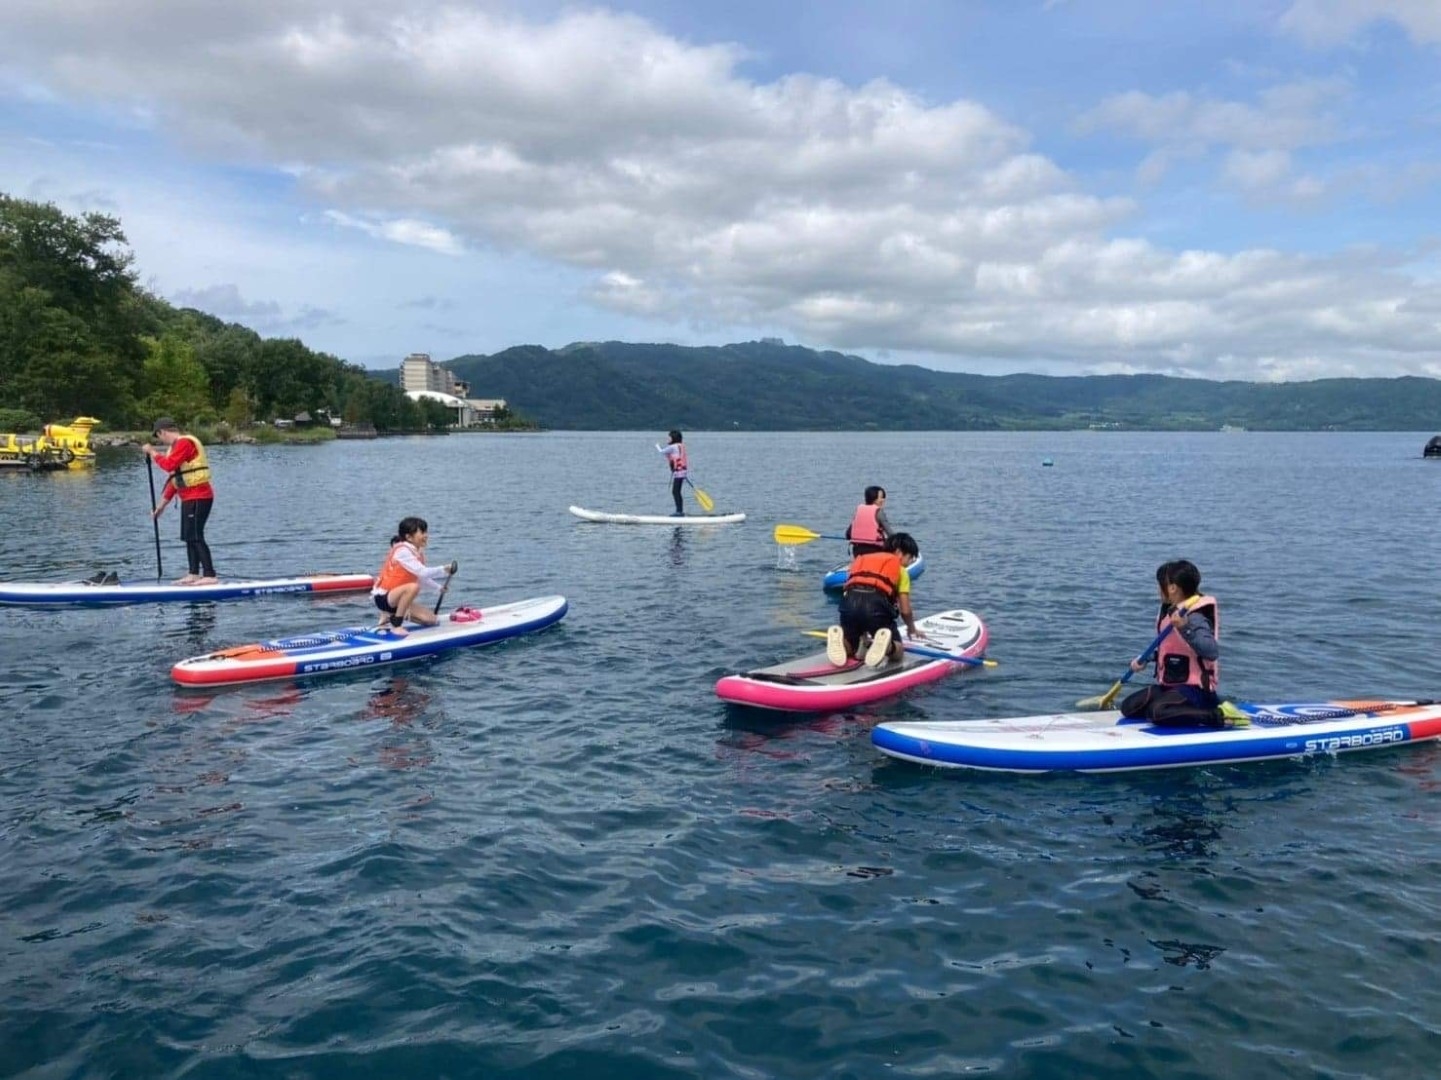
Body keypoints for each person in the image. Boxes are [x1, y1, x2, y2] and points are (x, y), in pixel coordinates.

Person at [1118, 560, 1249, 728]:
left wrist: (1185, 628)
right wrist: (1147, 658)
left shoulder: (1195, 616)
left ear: (1173, 588)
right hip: (1171, 686)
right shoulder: (1171, 611)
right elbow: (1174, 650)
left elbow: (1211, 652)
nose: (1158, 589)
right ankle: (1176, 710)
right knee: (1128, 707)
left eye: (1160, 585)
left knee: (1156, 712)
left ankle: (1218, 715)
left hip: (1196, 691)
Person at [826, 532, 926, 668]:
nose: (909, 563)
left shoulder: (863, 560)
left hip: (848, 605)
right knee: (898, 652)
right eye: (909, 558)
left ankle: (842, 642)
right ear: (899, 552)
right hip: (876, 608)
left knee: (851, 647)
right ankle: (887, 646)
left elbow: (851, 589)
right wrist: (911, 628)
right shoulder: (901, 571)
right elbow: (905, 610)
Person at [143, 417, 217, 585]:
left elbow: (168, 465)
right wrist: (160, 507)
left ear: (162, 432)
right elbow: (174, 482)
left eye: (158, 436)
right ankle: (193, 573)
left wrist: (153, 452)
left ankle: (210, 575)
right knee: (188, 536)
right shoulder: (174, 448)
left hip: (200, 496)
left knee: (196, 535)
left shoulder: (184, 443)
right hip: (189, 498)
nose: (160, 440)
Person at [371, 517, 457, 636]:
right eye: (422, 532)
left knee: (431, 620)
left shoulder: (417, 552)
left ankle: (390, 616)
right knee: (413, 587)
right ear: (409, 537)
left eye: (426, 532)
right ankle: (396, 625)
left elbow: (420, 578)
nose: (426, 535)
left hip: (398, 599)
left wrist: (438, 588)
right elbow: (423, 572)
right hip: (384, 598)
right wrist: (444, 570)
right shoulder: (403, 551)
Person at [845, 485, 893, 557]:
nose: (883, 500)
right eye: (881, 497)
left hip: (857, 551)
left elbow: (848, 534)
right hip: (875, 551)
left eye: (884, 497)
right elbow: (891, 535)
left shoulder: (859, 511)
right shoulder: (879, 512)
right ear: (873, 498)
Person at [657, 430, 687, 515]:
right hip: (682, 472)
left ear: (674, 438)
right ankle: (679, 510)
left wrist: (657, 445)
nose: (668, 439)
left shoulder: (673, 447)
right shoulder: (681, 445)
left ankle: (679, 511)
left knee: (675, 492)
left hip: (679, 473)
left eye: (669, 437)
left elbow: (661, 451)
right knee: (677, 492)